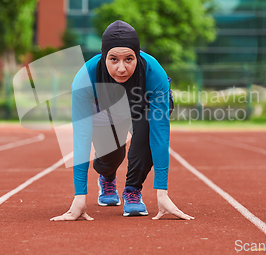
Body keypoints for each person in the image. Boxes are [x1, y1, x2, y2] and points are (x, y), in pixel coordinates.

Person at [50, 20, 194, 221]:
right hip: (107, 108)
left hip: (143, 106)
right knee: (112, 151)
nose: (121, 68)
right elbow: (81, 136)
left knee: (146, 134)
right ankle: (107, 176)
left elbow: (160, 134)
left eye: (129, 59)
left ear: (138, 55)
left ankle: (132, 190)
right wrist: (79, 196)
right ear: (103, 56)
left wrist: (162, 192)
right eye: (113, 59)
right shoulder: (85, 78)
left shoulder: (154, 73)